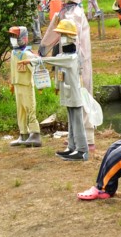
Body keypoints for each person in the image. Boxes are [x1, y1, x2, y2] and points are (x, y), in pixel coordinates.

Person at [41, 0, 96, 154]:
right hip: (67, 62)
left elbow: (75, 42)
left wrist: (75, 63)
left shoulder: (76, 14)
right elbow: (53, 32)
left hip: (79, 62)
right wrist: (42, 50)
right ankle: (74, 139)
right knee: (72, 101)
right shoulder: (64, 12)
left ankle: (87, 139)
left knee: (83, 97)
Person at [30, 18, 88, 161]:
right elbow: (58, 72)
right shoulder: (63, 56)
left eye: (63, 35)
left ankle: (82, 150)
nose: (61, 38)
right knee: (71, 121)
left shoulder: (72, 57)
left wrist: (37, 59)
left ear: (70, 37)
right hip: (67, 94)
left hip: (74, 94)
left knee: (77, 122)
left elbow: (54, 61)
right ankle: (72, 147)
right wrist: (56, 86)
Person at [7, 26, 42, 147]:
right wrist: (12, 83)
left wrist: (40, 85)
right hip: (17, 84)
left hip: (26, 85)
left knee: (30, 108)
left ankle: (35, 133)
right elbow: (13, 69)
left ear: (23, 38)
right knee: (20, 110)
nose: (13, 39)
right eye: (12, 36)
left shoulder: (27, 54)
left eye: (15, 36)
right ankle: (23, 133)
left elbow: (36, 69)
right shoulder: (13, 53)